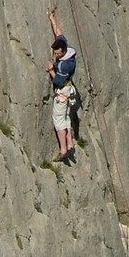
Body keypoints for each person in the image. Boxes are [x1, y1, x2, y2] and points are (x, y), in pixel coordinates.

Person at [46, 10, 77, 163]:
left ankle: (63, 149)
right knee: (66, 118)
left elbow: (58, 81)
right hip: (69, 91)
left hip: (63, 91)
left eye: (58, 54)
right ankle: (70, 143)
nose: (56, 55)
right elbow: (59, 34)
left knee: (58, 119)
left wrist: (52, 70)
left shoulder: (65, 65)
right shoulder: (66, 49)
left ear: (63, 52)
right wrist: (52, 19)